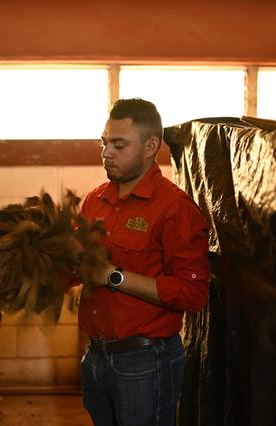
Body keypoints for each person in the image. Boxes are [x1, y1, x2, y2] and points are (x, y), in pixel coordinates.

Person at [77, 98, 210, 426]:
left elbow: (192, 293)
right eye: (104, 143)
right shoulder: (95, 200)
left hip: (145, 362)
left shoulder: (174, 208)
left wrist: (113, 276)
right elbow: (73, 268)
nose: (106, 153)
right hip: (95, 357)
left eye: (119, 145)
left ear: (151, 146)